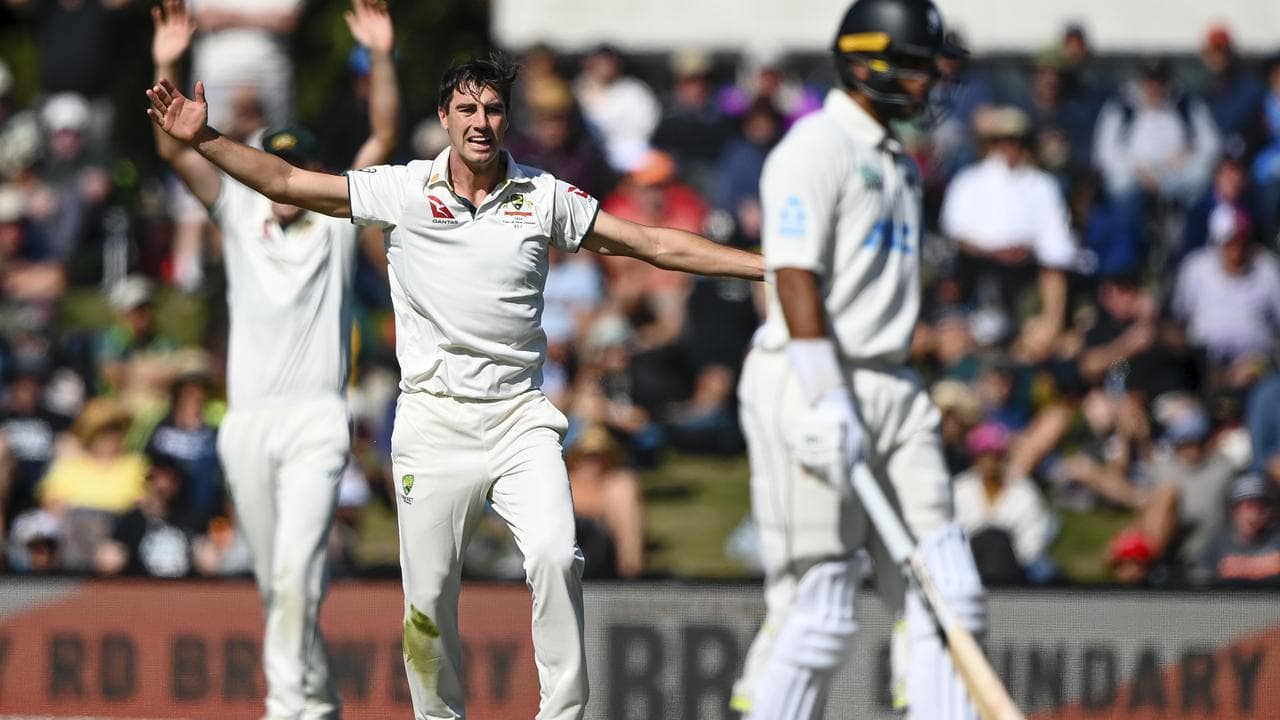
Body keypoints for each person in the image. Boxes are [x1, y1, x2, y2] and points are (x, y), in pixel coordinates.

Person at [146, 51, 762, 720]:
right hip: (433, 425)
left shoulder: (542, 196)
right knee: (428, 606)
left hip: (520, 419)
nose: (480, 122)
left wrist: (769, 266)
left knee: (557, 557)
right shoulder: (404, 189)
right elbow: (289, 182)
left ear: (508, 119)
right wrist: (206, 139)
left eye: (493, 109)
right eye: (467, 109)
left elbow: (653, 244)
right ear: (444, 116)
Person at [732, 1, 985, 718]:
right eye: (917, 67)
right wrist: (827, 395)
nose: (929, 84)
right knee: (820, 602)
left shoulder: (899, 161)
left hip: (892, 383)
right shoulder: (815, 145)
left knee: (950, 588)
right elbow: (793, 274)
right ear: (870, 62)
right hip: (808, 376)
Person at [148, 1, 399, 718]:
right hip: (248, 423)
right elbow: (174, 150)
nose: (283, 177)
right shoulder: (237, 210)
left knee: (296, 574)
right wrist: (167, 60)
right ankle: (317, 701)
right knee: (275, 585)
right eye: (274, 163)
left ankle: (287, 708)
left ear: (311, 170)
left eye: (296, 165)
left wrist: (381, 55)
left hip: (316, 420)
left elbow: (383, 133)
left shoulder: (335, 220)